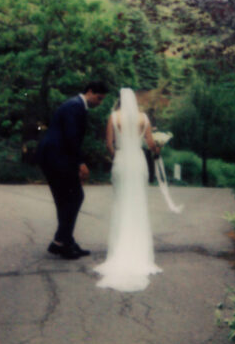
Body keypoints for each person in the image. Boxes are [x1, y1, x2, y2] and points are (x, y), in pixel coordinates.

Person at [94, 88, 162, 292]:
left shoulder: (114, 117)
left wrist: (118, 155)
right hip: (138, 161)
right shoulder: (144, 118)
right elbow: (150, 144)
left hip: (123, 161)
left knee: (121, 204)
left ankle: (119, 251)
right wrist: (158, 147)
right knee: (138, 204)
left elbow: (109, 144)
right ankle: (139, 251)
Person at [36, 80, 108, 260]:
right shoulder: (75, 106)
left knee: (65, 199)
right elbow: (71, 137)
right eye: (98, 98)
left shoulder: (75, 105)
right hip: (56, 157)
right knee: (75, 197)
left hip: (54, 156)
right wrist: (80, 163)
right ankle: (60, 242)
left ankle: (65, 241)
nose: (99, 103)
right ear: (90, 92)